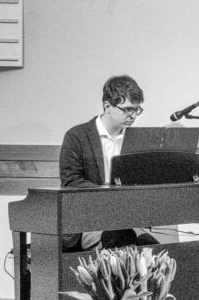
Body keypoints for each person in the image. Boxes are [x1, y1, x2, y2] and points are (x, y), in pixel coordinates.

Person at [59, 74, 159, 251]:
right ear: (107, 106)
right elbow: (71, 182)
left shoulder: (136, 140)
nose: (133, 115)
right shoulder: (77, 136)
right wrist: (108, 193)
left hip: (126, 218)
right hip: (89, 220)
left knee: (155, 249)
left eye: (137, 110)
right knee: (119, 240)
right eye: (127, 109)